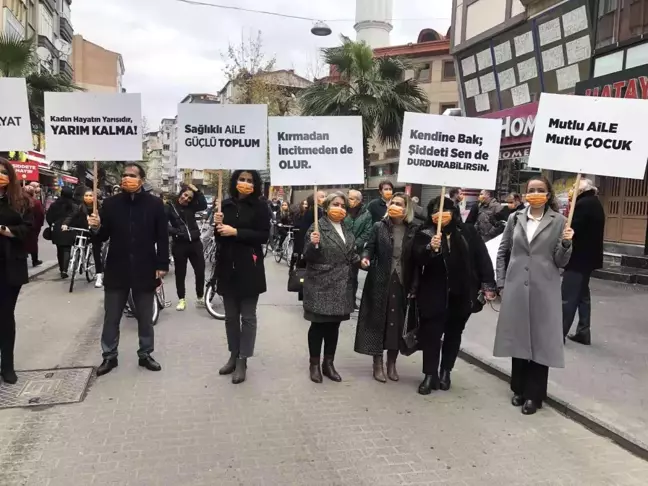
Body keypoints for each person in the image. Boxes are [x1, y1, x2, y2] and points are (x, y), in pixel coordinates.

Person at [493, 176, 573, 415]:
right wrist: (501, 283)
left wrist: (567, 244)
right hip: (516, 285)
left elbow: (561, 261)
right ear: (525, 194)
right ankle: (518, 388)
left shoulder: (559, 221)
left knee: (541, 340)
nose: (535, 193)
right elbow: (503, 250)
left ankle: (534, 395)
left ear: (548, 195)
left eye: (540, 190)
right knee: (518, 337)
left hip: (544, 287)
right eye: (531, 190)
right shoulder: (514, 218)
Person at [88, 163, 169, 376]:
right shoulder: (111, 204)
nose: (126, 178)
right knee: (112, 316)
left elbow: (162, 237)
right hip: (117, 267)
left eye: (132, 175)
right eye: (124, 175)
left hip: (145, 266)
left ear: (141, 179)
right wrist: (95, 227)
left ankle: (145, 354)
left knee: (145, 316)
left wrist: (162, 264)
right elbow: (102, 236)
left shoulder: (155, 204)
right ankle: (109, 356)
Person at [413, 197, 496, 394]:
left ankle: (445, 371)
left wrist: (488, 285)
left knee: (453, 334)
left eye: (445, 210)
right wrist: (429, 249)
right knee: (432, 335)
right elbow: (415, 258)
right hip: (433, 294)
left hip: (461, 295)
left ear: (454, 212)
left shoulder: (468, 232)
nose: (440, 214)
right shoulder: (424, 232)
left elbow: (482, 258)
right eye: (435, 210)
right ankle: (429, 374)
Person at [214, 170, 270, 384]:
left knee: (247, 317)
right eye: (241, 179)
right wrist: (217, 225)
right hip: (227, 268)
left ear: (255, 184)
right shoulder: (225, 206)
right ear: (234, 181)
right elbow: (220, 239)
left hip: (250, 267)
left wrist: (236, 232)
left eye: (249, 180)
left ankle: (243, 360)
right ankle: (232, 354)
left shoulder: (260, 206)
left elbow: (264, 236)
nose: (245, 183)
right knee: (230, 317)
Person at [355, 193, 417, 382]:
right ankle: (377, 363)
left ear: (406, 209)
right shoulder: (379, 227)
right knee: (378, 321)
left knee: (396, 323)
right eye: (393, 203)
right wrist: (365, 258)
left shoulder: (413, 230)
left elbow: (416, 257)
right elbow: (369, 247)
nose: (395, 206)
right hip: (380, 280)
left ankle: (392, 363)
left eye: (399, 204)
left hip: (402, 282)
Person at [304, 192, 365, 383]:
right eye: (336, 204)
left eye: (343, 206)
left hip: (341, 285)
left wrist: (361, 261)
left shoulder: (346, 229)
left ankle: (328, 363)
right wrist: (313, 245)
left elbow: (349, 254)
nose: (340, 209)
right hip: (321, 284)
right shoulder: (317, 227)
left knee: (333, 327)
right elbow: (307, 255)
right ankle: (314, 364)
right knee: (318, 326)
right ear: (326, 206)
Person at [0, 158, 33, 384]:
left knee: (4, 315)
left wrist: (6, 230)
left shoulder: (21, 201)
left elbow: (30, 228)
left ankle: (7, 366)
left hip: (9, 264)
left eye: (3, 172)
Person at [562, 179, 605, 345]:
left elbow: (572, 232)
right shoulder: (594, 202)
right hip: (588, 259)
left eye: (574, 186)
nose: (571, 189)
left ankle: (558, 333)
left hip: (578, 258)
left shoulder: (582, 205)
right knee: (582, 296)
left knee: (568, 297)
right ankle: (583, 331)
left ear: (583, 188)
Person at [166, 183, 207, 310]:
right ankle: (181, 299)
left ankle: (200, 297)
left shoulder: (192, 207)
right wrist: (176, 232)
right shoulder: (169, 207)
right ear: (180, 193)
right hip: (179, 245)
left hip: (195, 243)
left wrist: (196, 190)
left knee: (200, 271)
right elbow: (163, 225)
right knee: (180, 273)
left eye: (189, 198)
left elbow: (203, 204)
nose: (186, 199)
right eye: (185, 195)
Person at [62, 189, 105, 288]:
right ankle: (78, 261)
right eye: (86, 195)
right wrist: (65, 224)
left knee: (96, 251)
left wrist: (97, 224)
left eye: (91, 195)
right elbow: (71, 216)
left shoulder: (100, 208)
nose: (88, 198)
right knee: (77, 242)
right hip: (83, 230)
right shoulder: (80, 207)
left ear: (95, 197)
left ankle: (99, 275)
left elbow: (104, 220)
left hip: (96, 232)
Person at [343, 190, 373, 307]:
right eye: (348, 198)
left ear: (359, 200)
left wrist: (356, 244)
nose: (348, 200)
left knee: (352, 276)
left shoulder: (366, 214)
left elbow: (367, 232)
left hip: (355, 250)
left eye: (351, 198)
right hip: (341, 247)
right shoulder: (343, 211)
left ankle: (351, 300)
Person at [46, 186, 77, 278]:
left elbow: (49, 217)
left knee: (59, 249)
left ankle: (61, 268)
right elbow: (75, 217)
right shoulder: (73, 205)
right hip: (68, 228)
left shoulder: (54, 205)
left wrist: (52, 224)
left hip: (57, 229)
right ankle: (65, 270)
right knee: (67, 248)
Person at [23, 185, 44, 267]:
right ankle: (34, 260)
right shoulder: (36, 202)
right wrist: (39, 225)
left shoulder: (17, 200)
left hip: (21, 225)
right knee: (33, 243)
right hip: (32, 227)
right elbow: (40, 215)